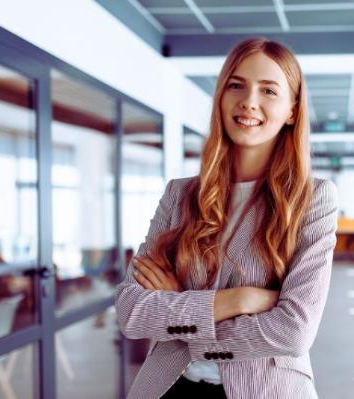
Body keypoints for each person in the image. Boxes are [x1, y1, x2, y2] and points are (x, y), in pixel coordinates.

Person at [115, 38, 338, 399]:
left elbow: (292, 332)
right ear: (220, 96)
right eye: (237, 85)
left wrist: (181, 310)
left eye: (268, 90)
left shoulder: (313, 199)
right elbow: (131, 311)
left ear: (292, 111)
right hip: (171, 386)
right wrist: (238, 300)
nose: (249, 101)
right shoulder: (179, 195)